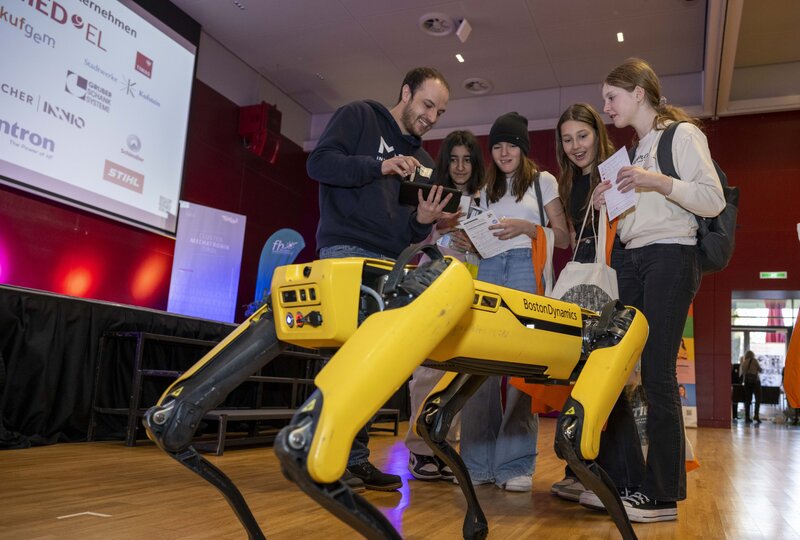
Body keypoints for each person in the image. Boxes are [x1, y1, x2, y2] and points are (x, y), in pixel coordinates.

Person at [589, 57, 726, 522]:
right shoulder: (634, 149)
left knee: (658, 374)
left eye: (612, 97)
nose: (605, 107)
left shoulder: (681, 136)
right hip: (633, 258)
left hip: (671, 255)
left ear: (639, 93)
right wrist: (609, 202)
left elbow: (712, 199)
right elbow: (635, 217)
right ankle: (628, 479)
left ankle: (663, 494)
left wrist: (657, 181)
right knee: (620, 367)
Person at [306, 66, 453, 491]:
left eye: (440, 112)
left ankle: (351, 458)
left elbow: (409, 230)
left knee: (376, 365)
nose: (432, 117)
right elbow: (319, 163)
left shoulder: (424, 162)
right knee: (345, 360)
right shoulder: (360, 116)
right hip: (346, 251)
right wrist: (380, 164)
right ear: (406, 93)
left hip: (393, 264)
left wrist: (424, 220)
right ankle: (320, 454)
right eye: (427, 105)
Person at [459, 112, 569, 492]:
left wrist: (528, 228)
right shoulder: (481, 187)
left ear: (524, 147)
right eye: (498, 146)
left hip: (525, 267)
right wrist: (466, 241)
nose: (504, 152)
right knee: (480, 368)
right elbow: (472, 235)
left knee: (522, 368)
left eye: (511, 144)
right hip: (488, 268)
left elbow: (565, 236)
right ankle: (476, 463)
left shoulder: (543, 182)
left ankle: (516, 465)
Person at [551, 103, 621, 502]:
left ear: (597, 133)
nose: (576, 145)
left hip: (612, 277)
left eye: (583, 135)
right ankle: (576, 468)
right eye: (567, 138)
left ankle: (601, 472)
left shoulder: (612, 170)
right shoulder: (569, 182)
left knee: (607, 377)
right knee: (580, 375)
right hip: (584, 286)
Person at [405, 130, 485, 482]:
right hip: (435, 276)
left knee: (466, 368)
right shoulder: (432, 193)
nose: (460, 166)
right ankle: (421, 449)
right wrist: (437, 227)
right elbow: (411, 236)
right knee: (428, 367)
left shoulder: (488, 196)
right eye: (453, 159)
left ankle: (447, 445)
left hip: (476, 283)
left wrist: (477, 240)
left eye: (467, 159)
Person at [740, 350, 762, 423]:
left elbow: (743, 374)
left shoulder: (744, 362)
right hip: (755, 382)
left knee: (748, 400)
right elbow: (760, 369)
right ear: (752, 355)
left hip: (747, 383)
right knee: (758, 399)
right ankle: (756, 416)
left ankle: (747, 417)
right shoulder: (754, 360)